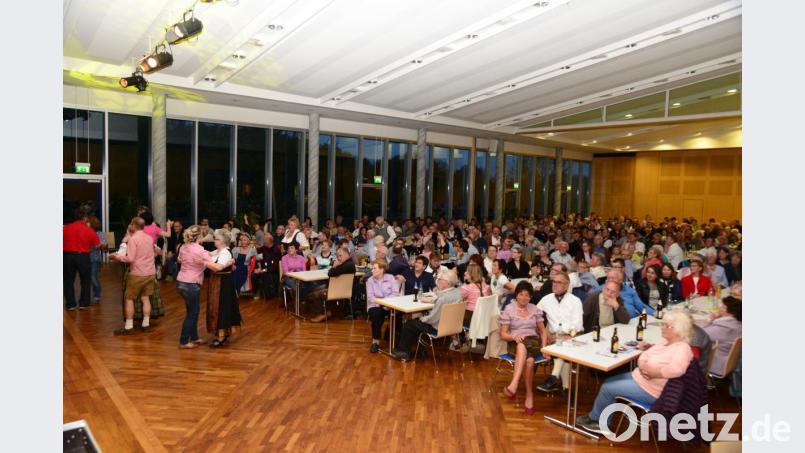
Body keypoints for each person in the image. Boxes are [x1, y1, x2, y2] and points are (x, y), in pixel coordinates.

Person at [575, 311, 694, 434]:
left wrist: (655, 372)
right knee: (609, 381)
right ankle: (599, 415)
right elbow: (645, 355)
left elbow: (677, 369)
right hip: (640, 377)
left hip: (652, 390)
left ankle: (598, 422)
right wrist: (643, 366)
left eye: (666, 325)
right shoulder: (665, 341)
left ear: (678, 330)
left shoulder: (683, 348)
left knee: (607, 388)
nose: (663, 328)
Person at [500, 281, 549, 415]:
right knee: (529, 361)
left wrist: (544, 348)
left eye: (527, 295)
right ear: (516, 295)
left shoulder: (535, 309)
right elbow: (503, 334)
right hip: (514, 342)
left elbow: (543, 331)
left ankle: (514, 384)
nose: (523, 298)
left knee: (523, 347)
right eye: (521, 294)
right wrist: (514, 335)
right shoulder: (509, 309)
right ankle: (529, 394)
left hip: (533, 342)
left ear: (531, 297)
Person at [391, 270, 463, 362]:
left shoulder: (443, 299)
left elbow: (432, 319)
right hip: (452, 327)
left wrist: (421, 318)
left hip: (438, 328)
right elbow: (441, 302)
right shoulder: (458, 293)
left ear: (447, 283)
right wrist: (433, 302)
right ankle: (420, 350)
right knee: (416, 322)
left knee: (410, 324)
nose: (437, 281)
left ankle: (404, 351)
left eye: (439, 279)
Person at [536, 271, 584, 393]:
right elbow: (535, 316)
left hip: (573, 336)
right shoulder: (546, 299)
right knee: (561, 346)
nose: (555, 285)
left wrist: (562, 334)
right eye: (554, 282)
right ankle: (566, 389)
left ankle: (554, 377)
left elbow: (577, 325)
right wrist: (546, 334)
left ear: (566, 285)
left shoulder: (575, 301)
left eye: (559, 282)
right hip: (552, 337)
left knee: (563, 345)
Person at [110, 217, 156, 335]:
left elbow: (130, 258)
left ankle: (129, 327)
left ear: (134, 226)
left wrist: (116, 257)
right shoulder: (149, 238)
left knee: (129, 299)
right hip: (150, 273)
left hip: (137, 273)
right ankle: (146, 324)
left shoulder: (133, 239)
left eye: (131, 223)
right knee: (145, 298)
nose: (130, 225)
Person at [199, 232, 241, 347]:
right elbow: (207, 254)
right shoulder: (218, 252)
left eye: (216, 239)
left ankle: (222, 337)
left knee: (222, 308)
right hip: (217, 283)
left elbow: (218, 267)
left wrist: (204, 262)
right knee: (219, 307)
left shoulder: (225, 253)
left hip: (223, 284)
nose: (214, 241)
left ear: (222, 241)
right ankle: (223, 334)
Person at [175, 225, 213, 349]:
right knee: (192, 313)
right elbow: (212, 262)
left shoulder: (183, 247)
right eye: (202, 234)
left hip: (181, 282)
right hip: (191, 284)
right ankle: (184, 341)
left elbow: (180, 260)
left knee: (192, 311)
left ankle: (195, 337)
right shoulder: (200, 250)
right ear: (198, 236)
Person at [63, 206, 100, 310]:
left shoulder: (66, 228)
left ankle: (70, 304)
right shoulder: (89, 230)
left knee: (68, 281)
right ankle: (84, 303)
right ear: (85, 218)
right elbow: (97, 245)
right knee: (85, 280)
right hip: (82, 257)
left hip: (67, 256)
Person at [308, 247, 357, 323]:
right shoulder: (348, 264)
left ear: (347, 255)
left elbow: (330, 273)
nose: (339, 258)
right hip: (340, 289)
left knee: (314, 294)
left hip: (337, 291)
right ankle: (327, 311)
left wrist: (334, 266)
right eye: (337, 256)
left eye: (340, 256)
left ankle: (323, 314)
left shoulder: (347, 265)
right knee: (314, 289)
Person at [365, 259, 401, 353]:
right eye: (372, 268)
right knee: (376, 314)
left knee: (398, 314)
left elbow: (395, 293)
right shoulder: (370, 281)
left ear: (382, 270)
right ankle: (375, 342)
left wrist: (387, 304)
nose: (372, 270)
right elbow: (370, 297)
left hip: (390, 304)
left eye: (374, 268)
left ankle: (396, 340)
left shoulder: (390, 278)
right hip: (375, 305)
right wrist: (382, 304)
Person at [701, 296, 742, 376]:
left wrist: (709, 321)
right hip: (731, 361)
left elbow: (700, 335)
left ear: (728, 311)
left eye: (722, 307)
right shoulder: (737, 323)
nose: (719, 308)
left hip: (716, 364)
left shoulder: (724, 328)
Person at [255, 235, 282, 299]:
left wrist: (263, 270)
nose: (263, 241)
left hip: (272, 271)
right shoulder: (262, 249)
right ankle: (257, 292)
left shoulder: (276, 250)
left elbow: (274, 267)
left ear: (269, 241)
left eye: (264, 240)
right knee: (253, 275)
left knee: (265, 275)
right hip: (262, 269)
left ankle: (268, 294)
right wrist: (259, 268)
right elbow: (258, 258)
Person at [88, 215, 106, 304]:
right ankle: (91, 295)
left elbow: (104, 245)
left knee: (93, 277)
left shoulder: (99, 233)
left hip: (95, 259)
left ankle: (97, 295)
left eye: (88, 222)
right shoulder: (86, 232)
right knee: (89, 277)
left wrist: (99, 245)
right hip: (85, 258)